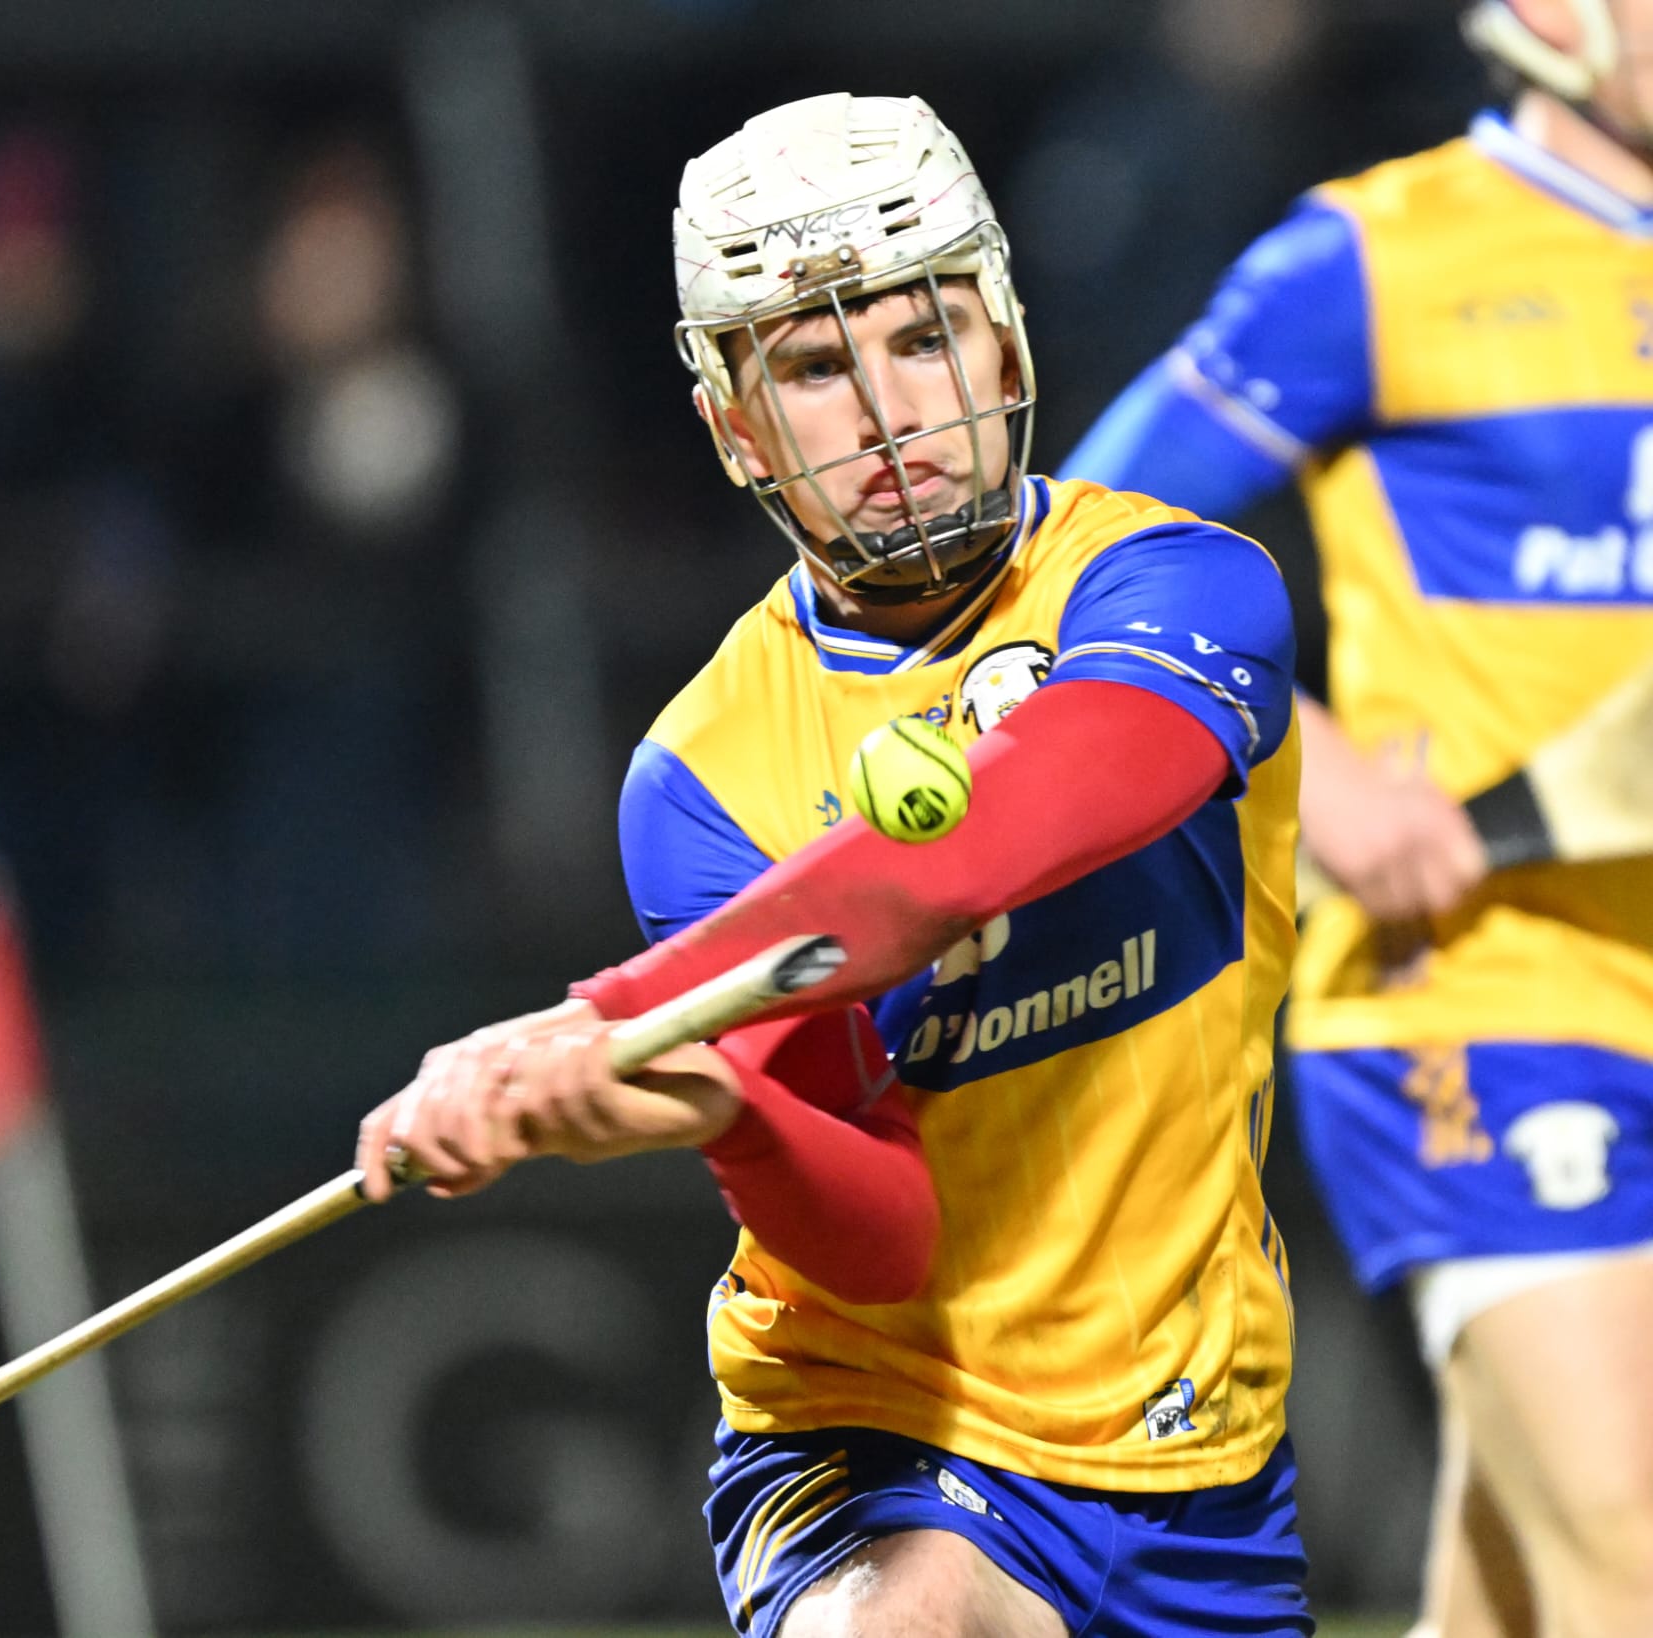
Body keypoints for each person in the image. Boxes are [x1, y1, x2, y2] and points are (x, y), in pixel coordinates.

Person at [358, 92, 1312, 1636]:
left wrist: (612, 1014)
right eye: (813, 367)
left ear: (1007, 348)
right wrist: (729, 1113)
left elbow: (990, 836)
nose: (885, 412)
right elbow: (882, 1234)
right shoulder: (699, 774)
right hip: (875, 1429)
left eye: (924, 338)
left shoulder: (1177, 587)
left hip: (1197, 1454)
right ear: (735, 427)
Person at [1060, 4, 1653, 1634]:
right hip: (1479, 989)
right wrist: (1311, 764)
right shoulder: (1375, 258)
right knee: (1630, 1553)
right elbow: (1082, 552)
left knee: (1527, 1574)